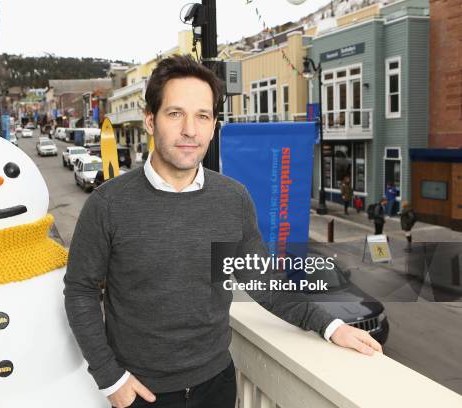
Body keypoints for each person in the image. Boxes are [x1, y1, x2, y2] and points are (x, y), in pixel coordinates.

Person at [64, 55, 382, 408]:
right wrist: (110, 379)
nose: (190, 129)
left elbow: (263, 282)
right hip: (141, 392)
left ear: (214, 125)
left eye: (203, 116)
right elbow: (80, 291)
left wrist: (330, 326)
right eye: (175, 113)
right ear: (150, 121)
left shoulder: (232, 198)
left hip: (216, 384)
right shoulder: (108, 205)